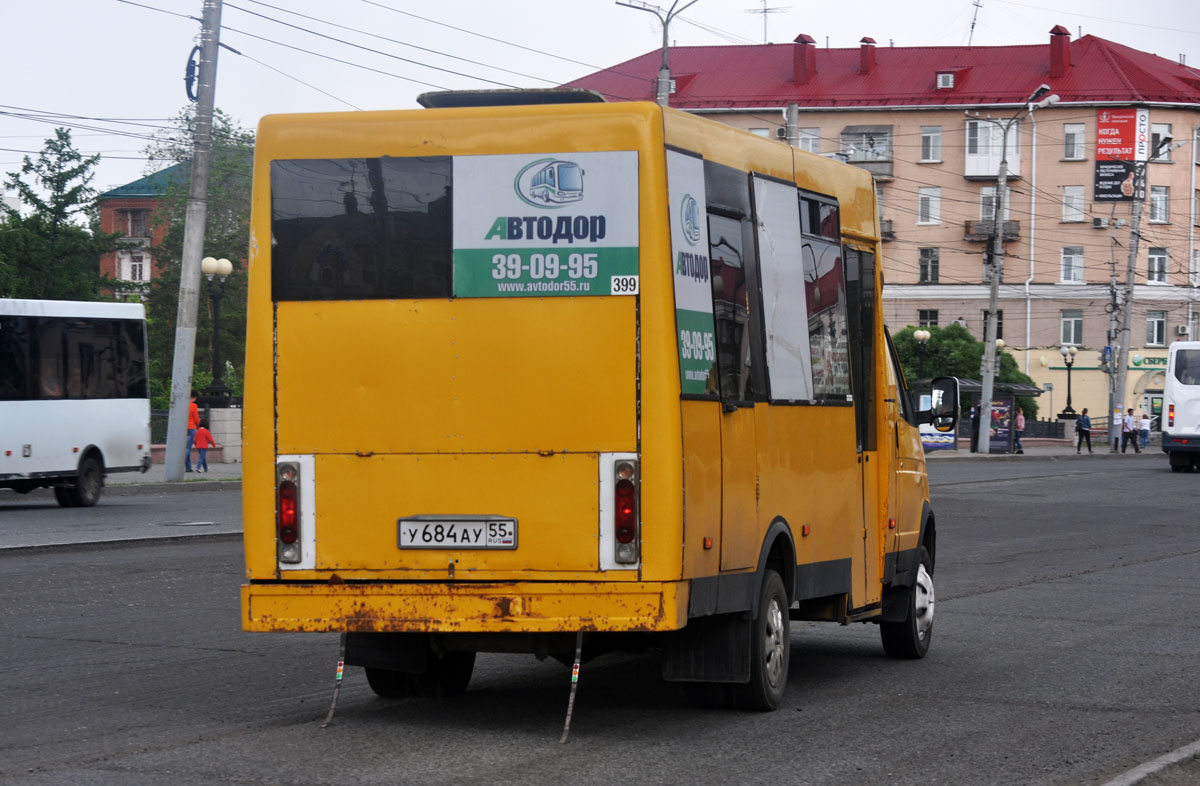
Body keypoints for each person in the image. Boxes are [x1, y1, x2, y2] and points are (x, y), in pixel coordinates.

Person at [186, 390, 200, 472]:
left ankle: (188, 467)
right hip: (191, 428)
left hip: (182, 429)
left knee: (184, 448)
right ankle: (186, 465)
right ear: (193, 397)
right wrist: (199, 427)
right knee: (187, 448)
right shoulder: (193, 406)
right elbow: (196, 419)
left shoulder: (182, 405)